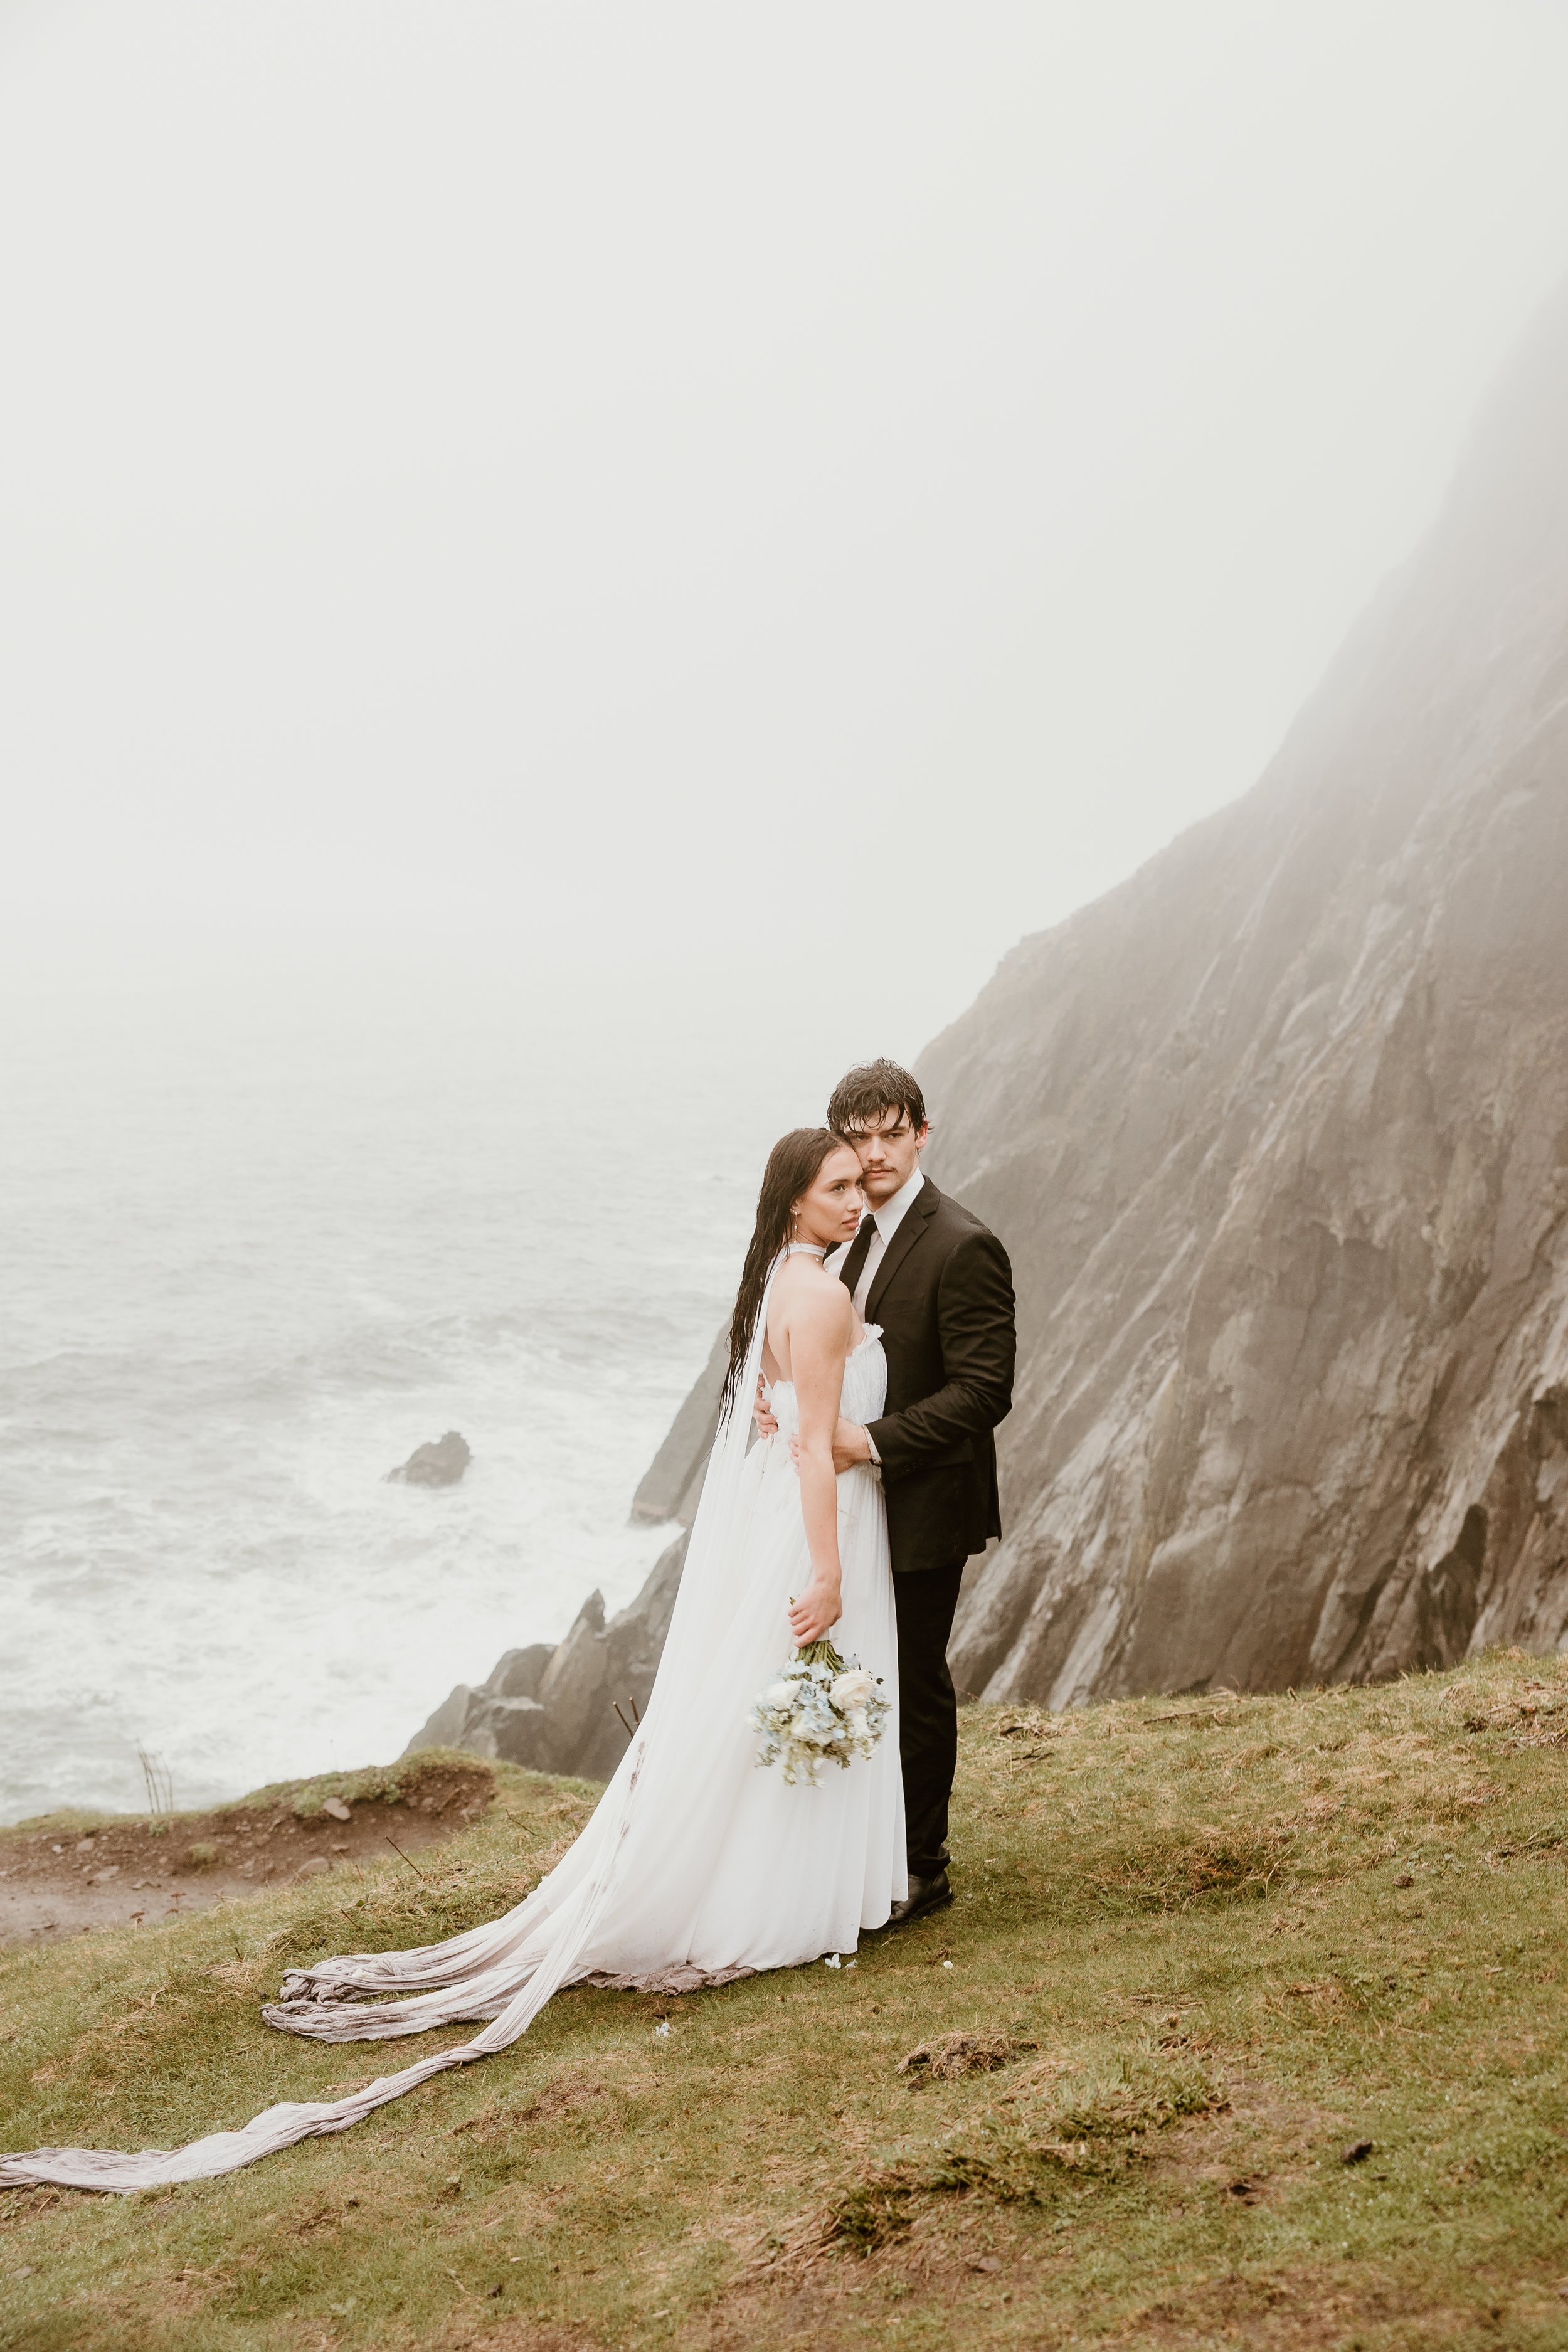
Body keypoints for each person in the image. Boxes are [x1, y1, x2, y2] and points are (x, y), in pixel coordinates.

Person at [2, 1128, 906, 2191]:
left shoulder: (775, 1287)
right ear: (795, 1200)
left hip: (766, 1526)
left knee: (743, 1716)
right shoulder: (824, 1298)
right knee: (777, 1706)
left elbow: (777, 1416)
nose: (856, 1199)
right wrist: (832, 1570)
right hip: (805, 1527)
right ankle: (776, 1902)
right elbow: (809, 1442)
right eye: (837, 1186)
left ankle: (754, 1890)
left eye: (859, 1184)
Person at [758, 1059, 1015, 1926]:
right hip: (858, 1502)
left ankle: (920, 1867)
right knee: (871, 1672)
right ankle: (863, 1850)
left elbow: (985, 1390)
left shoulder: (962, 1242)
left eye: (890, 1133)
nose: (875, 1154)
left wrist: (866, 1441)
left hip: (925, 1496)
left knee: (916, 1678)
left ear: (921, 1133)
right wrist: (782, 1404)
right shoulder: (849, 1236)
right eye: (858, 1138)